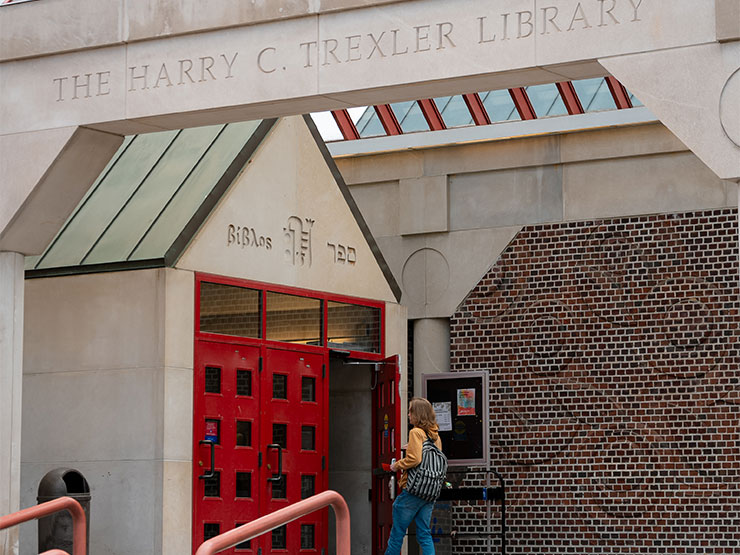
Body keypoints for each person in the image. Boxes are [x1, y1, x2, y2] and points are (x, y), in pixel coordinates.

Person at [385, 397, 442, 555]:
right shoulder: (435, 436)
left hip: (414, 490)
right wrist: (411, 447)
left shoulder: (415, 432)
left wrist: (396, 465)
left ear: (417, 414)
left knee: (397, 534)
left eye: (410, 411)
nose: (409, 414)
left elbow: (415, 459)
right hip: (430, 491)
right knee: (424, 533)